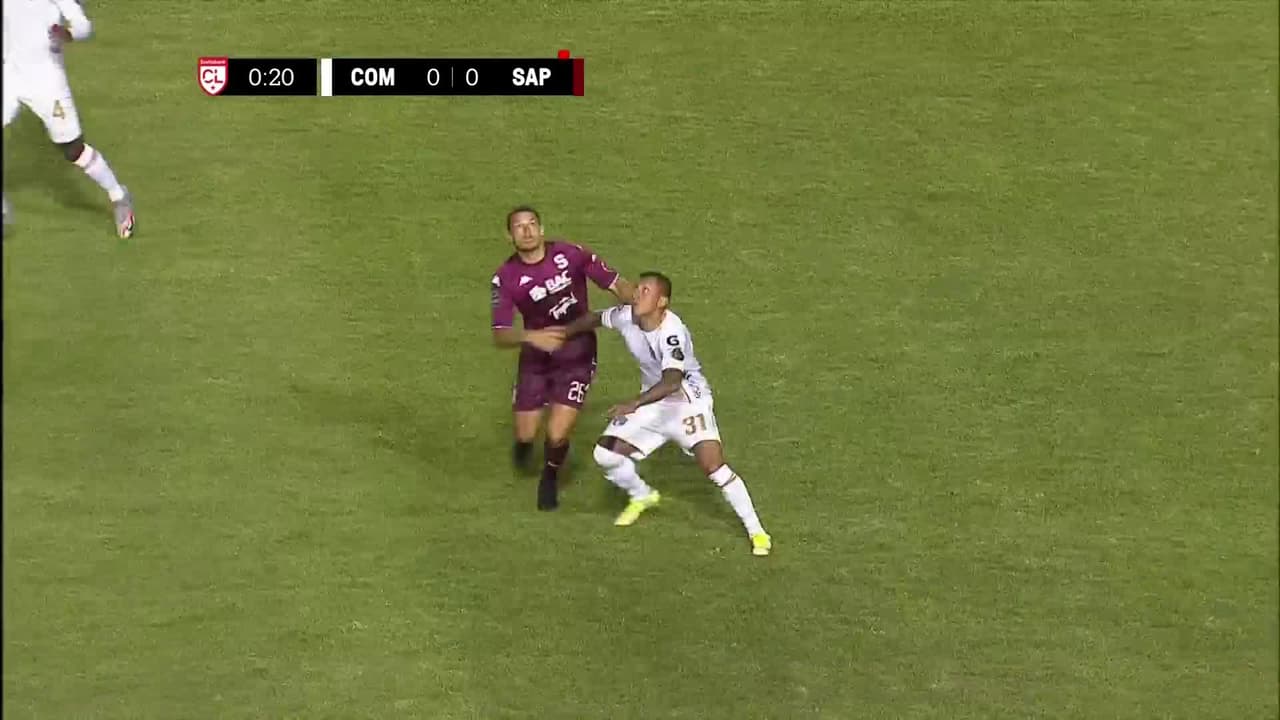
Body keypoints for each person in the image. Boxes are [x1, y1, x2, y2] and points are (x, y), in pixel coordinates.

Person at [559, 272, 773, 556]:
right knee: (605, 454)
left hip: (687, 401)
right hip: (652, 402)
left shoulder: (672, 332)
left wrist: (635, 403)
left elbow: (672, 381)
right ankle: (643, 496)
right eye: (638, 288)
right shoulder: (627, 316)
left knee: (714, 466)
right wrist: (559, 334)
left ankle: (757, 531)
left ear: (662, 302)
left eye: (646, 291)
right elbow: (595, 318)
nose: (637, 293)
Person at [490, 206, 634, 510]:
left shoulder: (570, 254)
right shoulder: (506, 278)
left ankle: (550, 478)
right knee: (526, 433)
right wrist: (532, 337)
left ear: (542, 229)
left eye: (532, 224)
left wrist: (631, 296)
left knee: (556, 434)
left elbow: (613, 280)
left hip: (577, 352)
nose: (527, 231)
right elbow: (500, 334)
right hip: (536, 357)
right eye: (519, 227)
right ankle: (524, 445)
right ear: (509, 235)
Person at [3, 0, 135, 238]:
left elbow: (84, 26)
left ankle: (119, 196)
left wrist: (67, 33)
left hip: (46, 81)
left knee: (74, 150)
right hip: (10, 74)